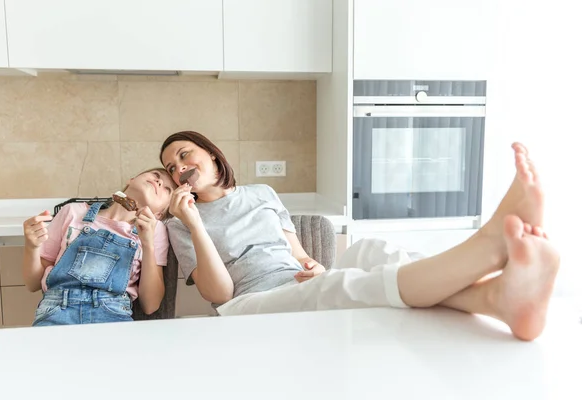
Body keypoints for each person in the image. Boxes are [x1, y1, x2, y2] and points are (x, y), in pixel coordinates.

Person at [160, 131, 559, 341]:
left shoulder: (262, 193)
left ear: (211, 154)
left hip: (295, 283)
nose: (179, 167)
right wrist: (194, 222)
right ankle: (488, 247)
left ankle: (494, 298)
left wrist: (312, 266)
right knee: (347, 285)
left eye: (183, 154)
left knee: (370, 249)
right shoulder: (181, 222)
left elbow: (296, 253)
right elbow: (220, 295)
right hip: (250, 304)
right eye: (170, 167)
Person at [22, 168, 176, 326]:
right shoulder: (73, 212)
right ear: (131, 179)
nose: (159, 181)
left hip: (114, 317)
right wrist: (32, 247)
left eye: (167, 189)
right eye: (156, 175)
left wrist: (148, 244)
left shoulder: (155, 230)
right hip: (55, 313)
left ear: (159, 214)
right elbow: (33, 284)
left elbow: (150, 305)